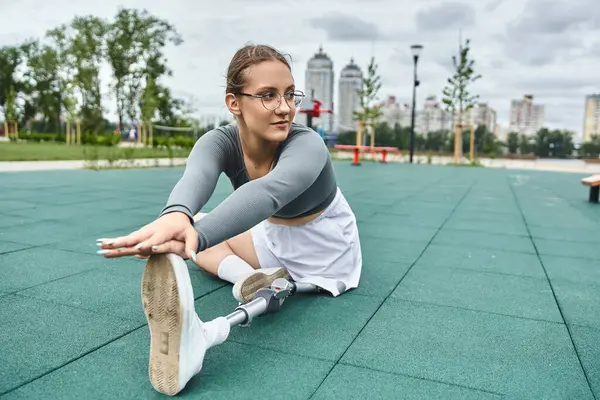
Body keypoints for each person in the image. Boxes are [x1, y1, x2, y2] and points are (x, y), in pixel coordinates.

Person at [96, 43, 362, 396]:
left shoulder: (308, 144)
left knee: (195, 238)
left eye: (289, 95)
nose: (284, 108)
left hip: (324, 248)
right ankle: (251, 277)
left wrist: (191, 236)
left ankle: (246, 274)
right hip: (272, 238)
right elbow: (197, 178)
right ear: (234, 102)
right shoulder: (218, 141)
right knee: (194, 228)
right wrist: (175, 215)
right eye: (267, 95)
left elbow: (266, 195)